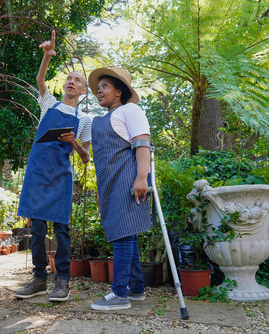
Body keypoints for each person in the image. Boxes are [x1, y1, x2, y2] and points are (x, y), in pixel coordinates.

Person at [15, 30, 91, 302]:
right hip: (37, 172)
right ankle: (38, 279)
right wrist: (46, 55)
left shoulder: (85, 120)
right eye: (69, 79)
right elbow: (39, 79)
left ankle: (63, 281)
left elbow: (85, 158)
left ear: (83, 91)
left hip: (61, 176)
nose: (71, 82)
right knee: (36, 228)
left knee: (61, 229)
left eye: (77, 81)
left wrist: (74, 143)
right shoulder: (49, 104)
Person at [88, 66, 151, 311]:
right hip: (108, 181)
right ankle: (136, 289)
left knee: (122, 233)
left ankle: (120, 293)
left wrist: (142, 177)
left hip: (127, 177)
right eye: (98, 87)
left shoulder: (130, 110)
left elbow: (143, 143)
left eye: (104, 86)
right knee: (127, 232)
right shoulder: (101, 119)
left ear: (119, 91)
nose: (99, 91)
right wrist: (101, 192)